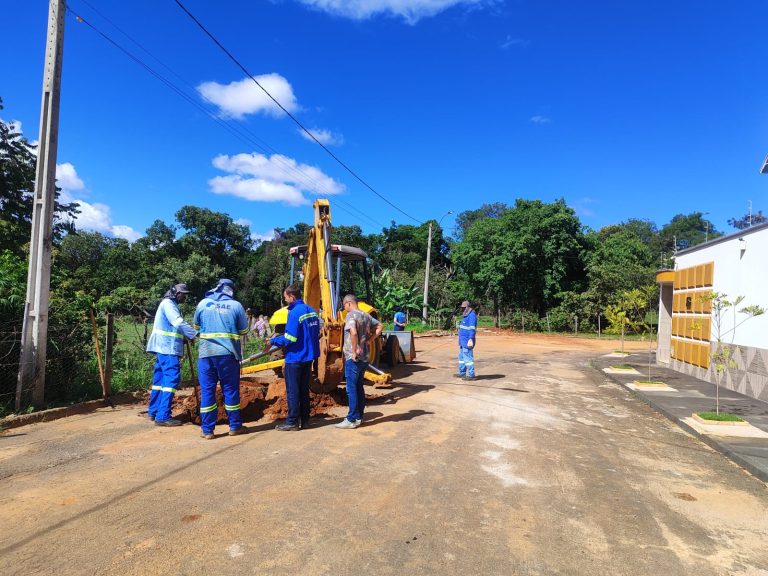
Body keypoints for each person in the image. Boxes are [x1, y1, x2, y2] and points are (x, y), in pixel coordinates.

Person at [194, 279, 250, 439]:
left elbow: (196, 327)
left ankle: (207, 431)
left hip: (206, 355)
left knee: (207, 391)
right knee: (230, 390)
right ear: (231, 290)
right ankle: (234, 426)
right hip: (228, 355)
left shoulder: (203, 304)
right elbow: (244, 330)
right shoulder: (236, 306)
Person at [268, 285, 320, 431]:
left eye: (286, 297)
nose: (285, 299)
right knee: (303, 389)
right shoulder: (312, 311)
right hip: (308, 357)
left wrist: (273, 341)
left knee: (293, 390)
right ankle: (305, 420)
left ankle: (292, 422)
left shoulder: (294, 313)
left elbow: (289, 338)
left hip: (295, 357)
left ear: (292, 296)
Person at [146, 283, 198, 427]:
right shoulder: (169, 304)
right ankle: (162, 416)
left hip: (164, 347)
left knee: (159, 380)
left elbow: (172, 327)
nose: (185, 297)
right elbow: (178, 323)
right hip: (167, 347)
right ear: (176, 293)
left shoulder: (169, 303)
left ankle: (154, 411)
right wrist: (194, 334)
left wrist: (183, 339)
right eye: (183, 294)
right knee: (172, 379)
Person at [336, 294, 382, 429]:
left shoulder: (351, 316)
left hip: (354, 358)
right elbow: (380, 326)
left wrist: (355, 350)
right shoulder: (366, 316)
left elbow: (354, 333)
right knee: (358, 386)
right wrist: (369, 341)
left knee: (351, 388)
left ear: (349, 303)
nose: (345, 309)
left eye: (345, 306)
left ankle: (351, 419)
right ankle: (359, 416)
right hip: (365, 358)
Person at [456, 300, 477, 381]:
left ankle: (471, 375)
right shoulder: (465, 316)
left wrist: (471, 339)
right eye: (462, 308)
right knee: (461, 358)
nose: (462, 309)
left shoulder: (472, 315)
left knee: (468, 358)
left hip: (467, 341)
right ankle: (462, 373)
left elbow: (472, 328)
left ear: (468, 307)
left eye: (464, 307)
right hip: (462, 341)